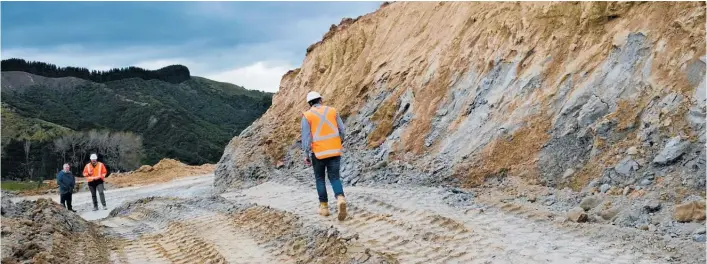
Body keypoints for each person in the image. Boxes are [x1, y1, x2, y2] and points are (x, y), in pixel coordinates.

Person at [301, 91, 347, 221]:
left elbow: (306, 138)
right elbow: (342, 130)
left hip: (318, 153)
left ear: (309, 103)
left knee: (320, 179)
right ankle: (340, 198)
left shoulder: (307, 116)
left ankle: (324, 207)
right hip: (334, 150)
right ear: (320, 100)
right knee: (334, 177)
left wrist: (306, 154)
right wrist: (339, 142)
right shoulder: (332, 111)